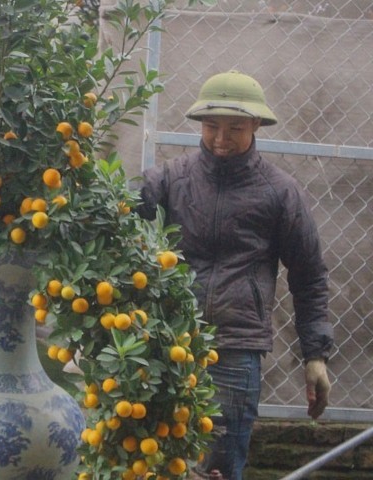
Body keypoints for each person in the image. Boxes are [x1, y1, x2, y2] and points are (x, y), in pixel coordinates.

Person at [138, 70, 334, 480]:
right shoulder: (168, 180)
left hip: (234, 349)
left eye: (235, 129)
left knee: (219, 468)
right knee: (147, 459)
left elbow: (309, 276)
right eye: (211, 127)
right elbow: (116, 240)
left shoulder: (280, 192)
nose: (221, 139)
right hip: (160, 342)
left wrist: (315, 355)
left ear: (256, 126)